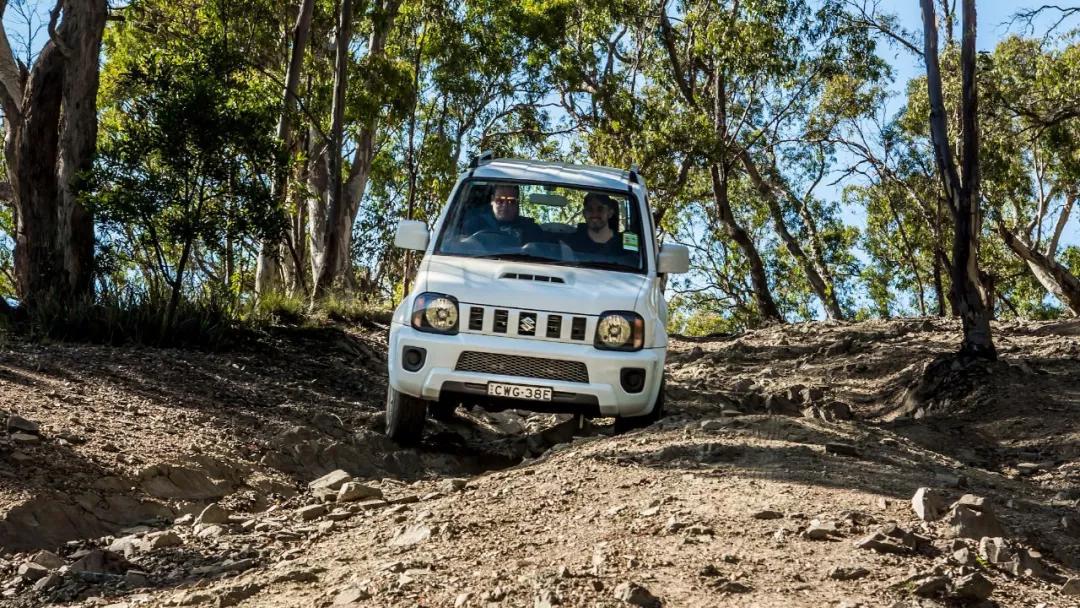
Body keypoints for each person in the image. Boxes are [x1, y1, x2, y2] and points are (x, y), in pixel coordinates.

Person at [462, 184, 543, 244]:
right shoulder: (473, 225)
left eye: (511, 201)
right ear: (492, 200)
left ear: (517, 203)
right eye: (500, 201)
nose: (505, 206)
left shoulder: (530, 229)